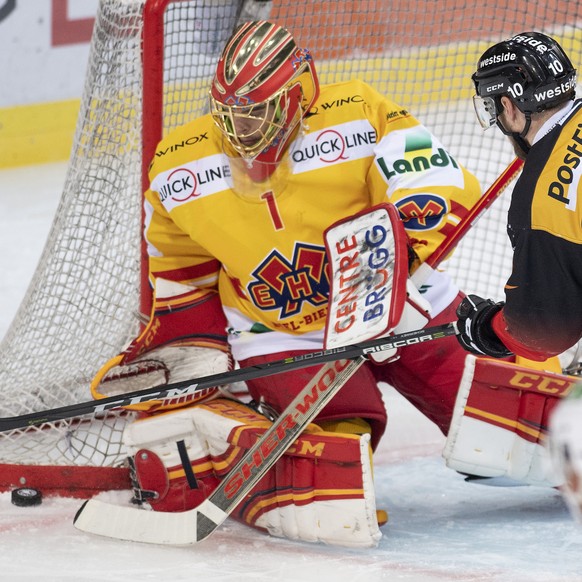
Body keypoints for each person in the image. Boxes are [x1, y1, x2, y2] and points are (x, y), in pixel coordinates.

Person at [90, 21, 553, 547]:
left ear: (298, 92)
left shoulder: (355, 112)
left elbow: (435, 181)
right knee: (337, 460)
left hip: (397, 303)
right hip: (284, 333)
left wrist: (391, 252)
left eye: (259, 111)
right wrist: (188, 333)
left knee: (512, 411)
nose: (244, 129)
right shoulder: (180, 167)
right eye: (232, 115)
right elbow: (179, 267)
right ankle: (245, 454)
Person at [455, 31, 581, 362]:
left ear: (508, 107)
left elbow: (542, 332)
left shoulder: (543, 198)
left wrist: (487, 327)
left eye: (492, 108)